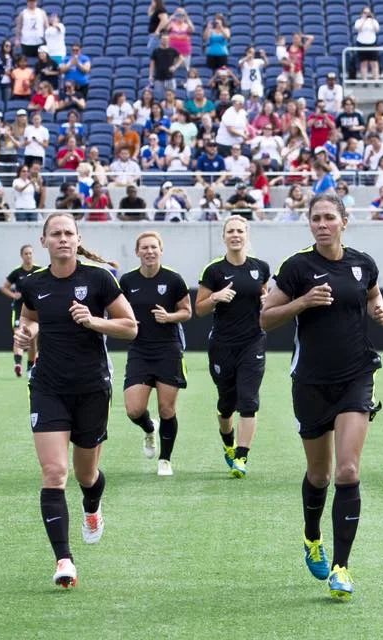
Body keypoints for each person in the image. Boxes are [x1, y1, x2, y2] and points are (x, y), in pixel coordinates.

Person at [260, 193, 383, 601]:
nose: (322, 224)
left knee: (347, 471)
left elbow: (371, 295)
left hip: (357, 376)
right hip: (312, 382)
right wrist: (302, 302)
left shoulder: (362, 263)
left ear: (343, 222)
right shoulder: (298, 268)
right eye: (315, 218)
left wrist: (380, 309)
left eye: (329, 218)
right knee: (319, 475)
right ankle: (311, 535)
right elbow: (265, 319)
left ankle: (341, 567)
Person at [15, 212, 136, 588]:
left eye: (69, 233)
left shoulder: (98, 279)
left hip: (91, 388)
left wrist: (94, 321)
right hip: (48, 386)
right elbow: (30, 318)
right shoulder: (33, 283)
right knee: (54, 473)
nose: (63, 239)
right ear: (44, 241)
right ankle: (64, 560)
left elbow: (130, 327)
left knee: (86, 475)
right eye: (56, 234)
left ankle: (92, 506)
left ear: (77, 238)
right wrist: (25, 334)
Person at [195, 216, 270, 478]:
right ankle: (228, 444)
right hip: (223, 345)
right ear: (224, 237)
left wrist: (266, 300)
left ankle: (241, 458)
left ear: (247, 235)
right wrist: (215, 297)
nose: (235, 235)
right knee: (227, 404)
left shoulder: (260, 267)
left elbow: (265, 296)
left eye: (240, 231)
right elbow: (199, 308)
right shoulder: (214, 271)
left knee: (248, 401)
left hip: (252, 342)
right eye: (231, 231)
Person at [117, 231, 192, 475]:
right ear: (137, 252)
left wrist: (169, 317)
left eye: (154, 247)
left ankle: (165, 460)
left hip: (168, 350)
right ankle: (149, 429)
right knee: (134, 410)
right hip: (139, 350)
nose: (149, 251)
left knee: (167, 409)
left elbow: (187, 311)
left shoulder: (173, 279)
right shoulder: (127, 282)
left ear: (161, 250)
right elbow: (118, 311)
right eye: (144, 248)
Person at [1, 245, 40, 377]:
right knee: (18, 335)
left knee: (32, 339)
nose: (28, 256)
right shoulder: (17, 272)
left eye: (30, 253)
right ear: (21, 256)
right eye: (26, 253)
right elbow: (4, 287)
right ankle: (18, 363)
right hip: (19, 309)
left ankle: (30, 367)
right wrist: (13, 295)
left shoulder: (39, 271)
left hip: (34, 310)